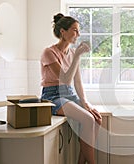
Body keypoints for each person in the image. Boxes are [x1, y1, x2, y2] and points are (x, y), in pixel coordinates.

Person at [40, 13, 102, 164]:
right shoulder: (49, 52)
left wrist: (85, 102)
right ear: (63, 32)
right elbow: (65, 80)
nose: (78, 34)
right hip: (53, 96)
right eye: (75, 30)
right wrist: (77, 57)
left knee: (96, 119)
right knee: (88, 119)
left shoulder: (73, 53)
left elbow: (77, 82)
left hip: (69, 94)